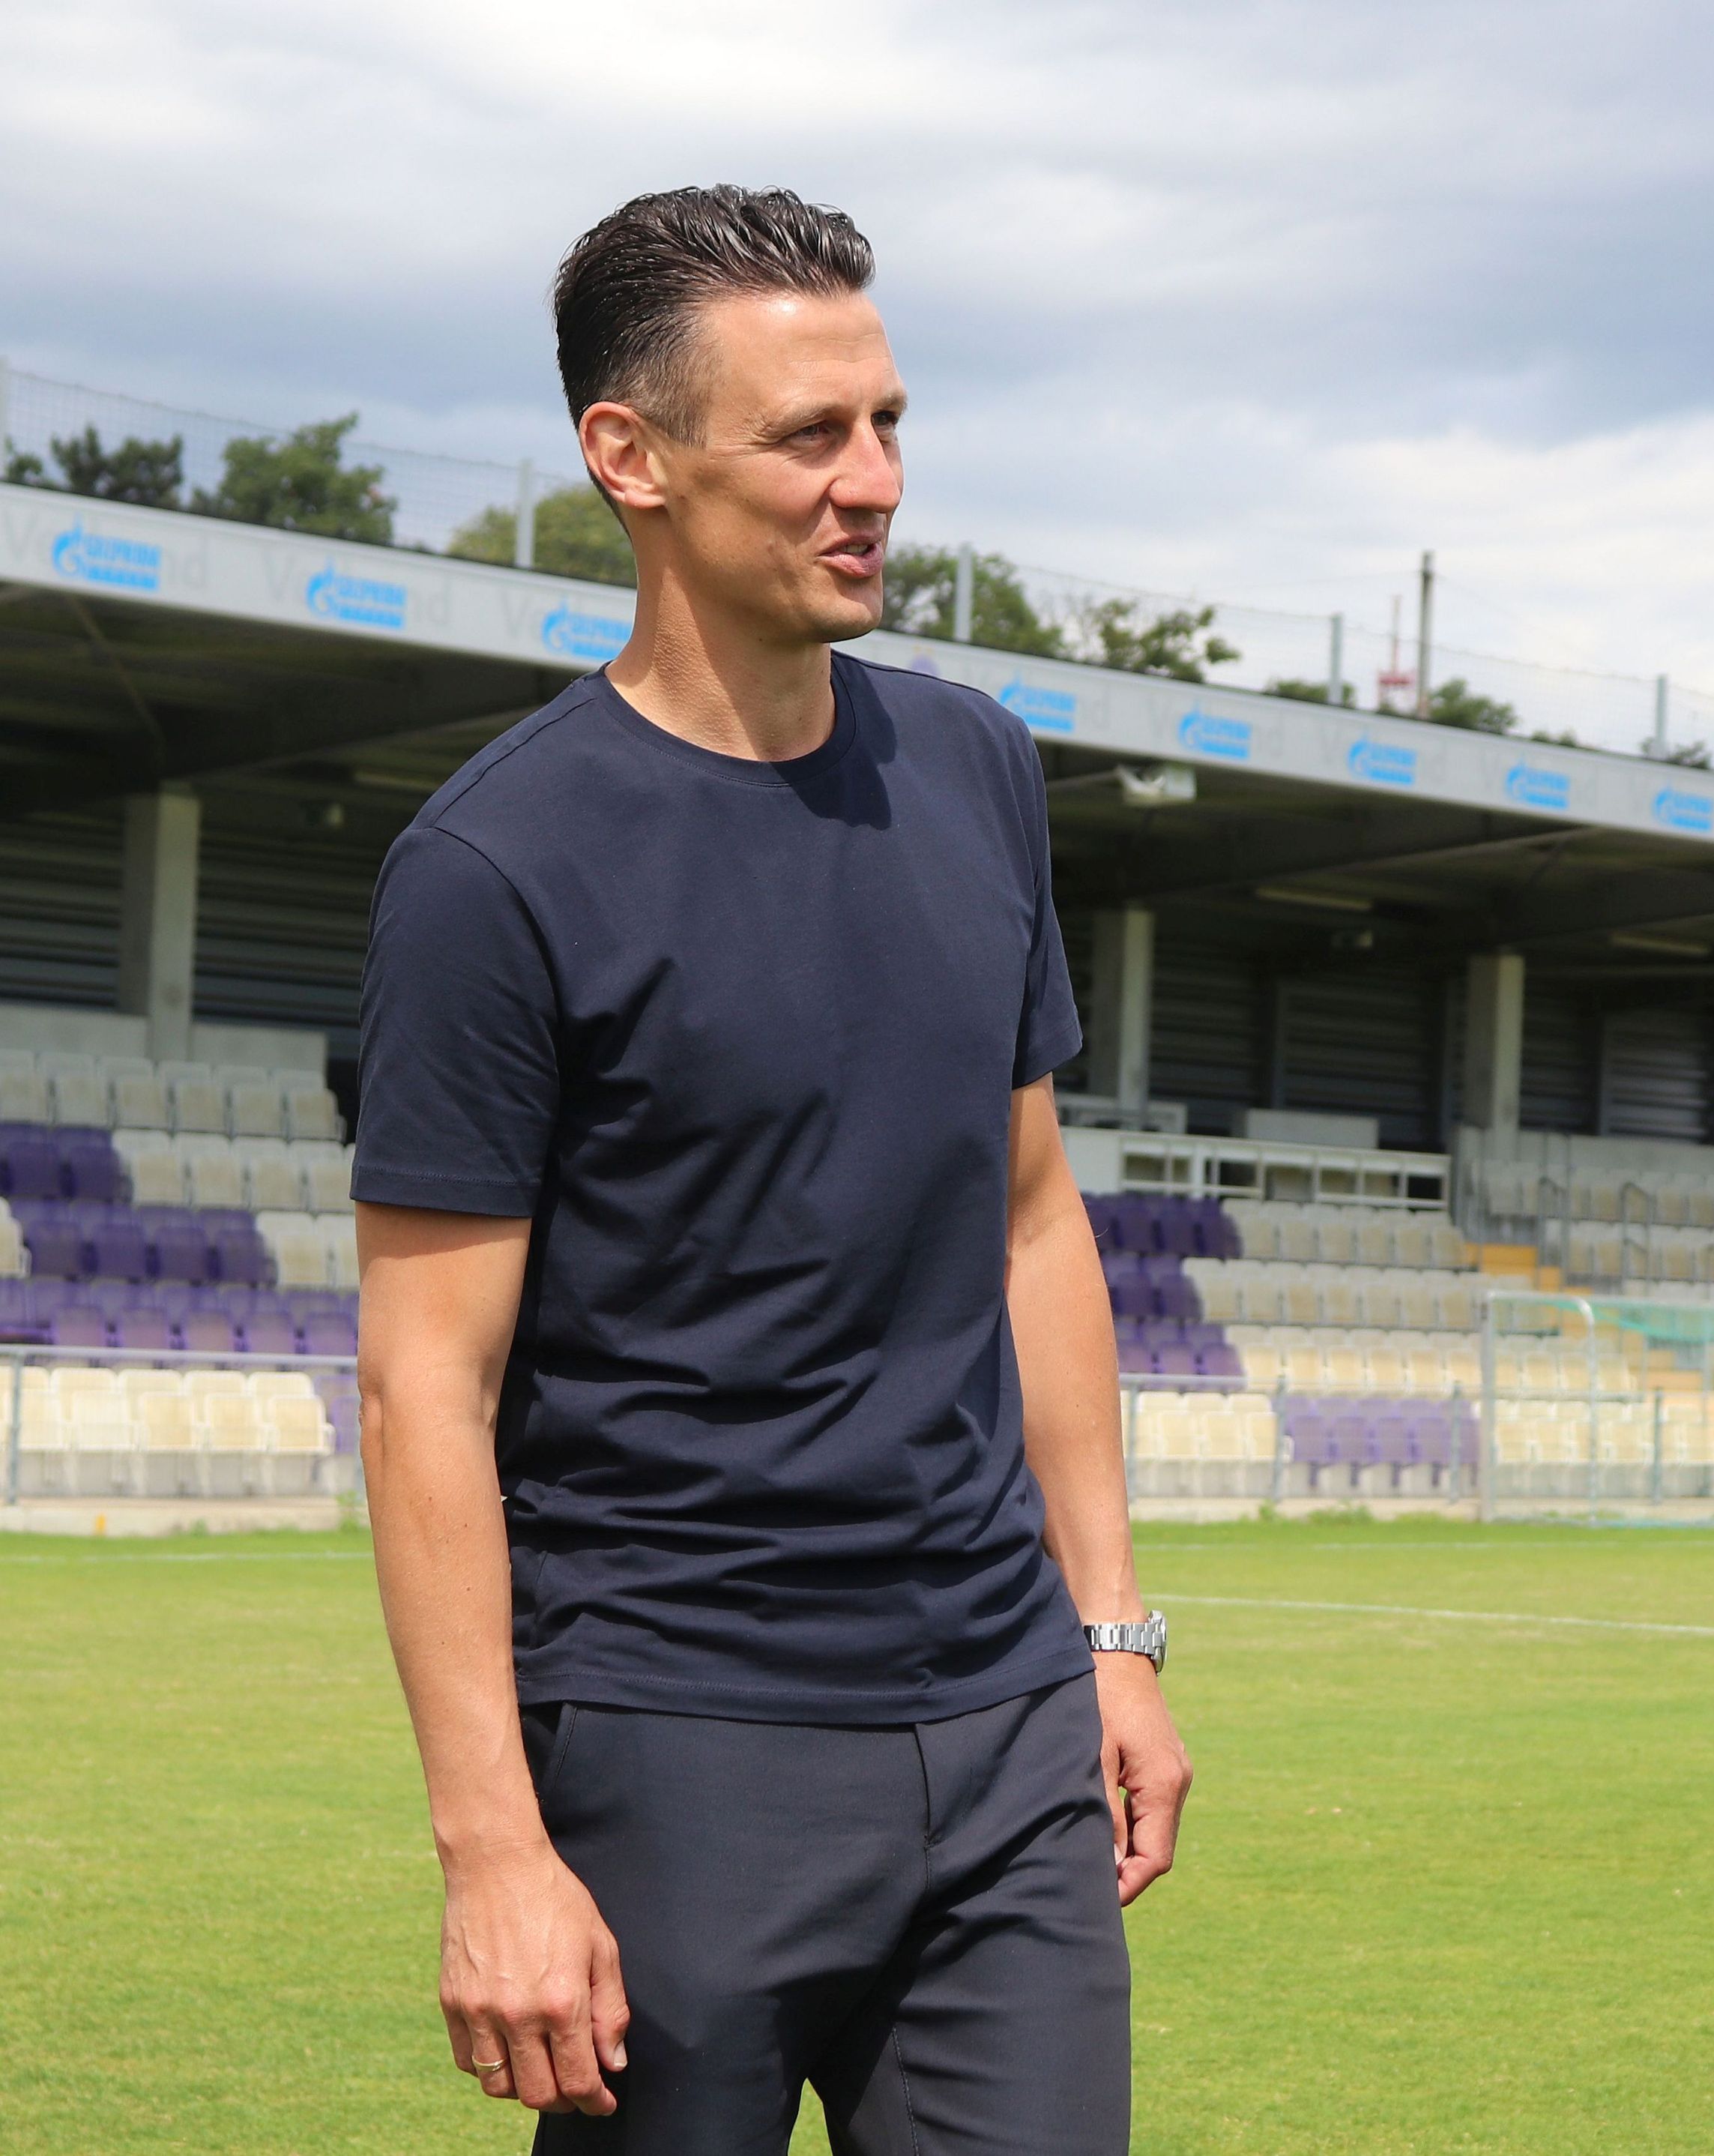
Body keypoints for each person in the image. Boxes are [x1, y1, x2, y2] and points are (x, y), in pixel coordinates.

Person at [353, 186, 1189, 2156]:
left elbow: (1030, 1214)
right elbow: (423, 1387)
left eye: (889, 423)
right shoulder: (494, 869)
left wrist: (1113, 1633)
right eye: (810, 435)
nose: (874, 481)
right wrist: (492, 1845)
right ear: (628, 459)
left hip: (1006, 1738)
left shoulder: (974, 766)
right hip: (678, 1744)